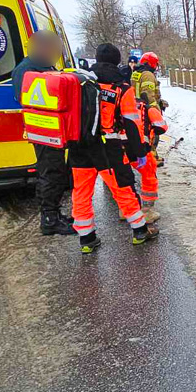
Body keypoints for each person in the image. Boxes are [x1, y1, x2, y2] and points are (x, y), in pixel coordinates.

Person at [69, 43, 159, 253]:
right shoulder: (121, 87)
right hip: (108, 146)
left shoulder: (79, 83)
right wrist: (139, 152)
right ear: (118, 61)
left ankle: (87, 239)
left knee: (81, 192)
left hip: (79, 145)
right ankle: (139, 231)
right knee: (122, 188)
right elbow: (131, 123)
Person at [12, 30, 75, 236]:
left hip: (54, 131)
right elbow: (29, 99)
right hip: (44, 130)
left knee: (55, 172)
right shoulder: (27, 69)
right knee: (50, 173)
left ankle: (54, 214)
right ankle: (49, 219)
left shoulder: (43, 66)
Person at [131, 94, 168, 222]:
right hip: (142, 150)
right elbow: (162, 127)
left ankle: (126, 211)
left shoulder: (121, 106)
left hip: (119, 148)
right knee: (149, 178)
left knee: (123, 179)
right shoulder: (148, 109)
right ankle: (147, 212)